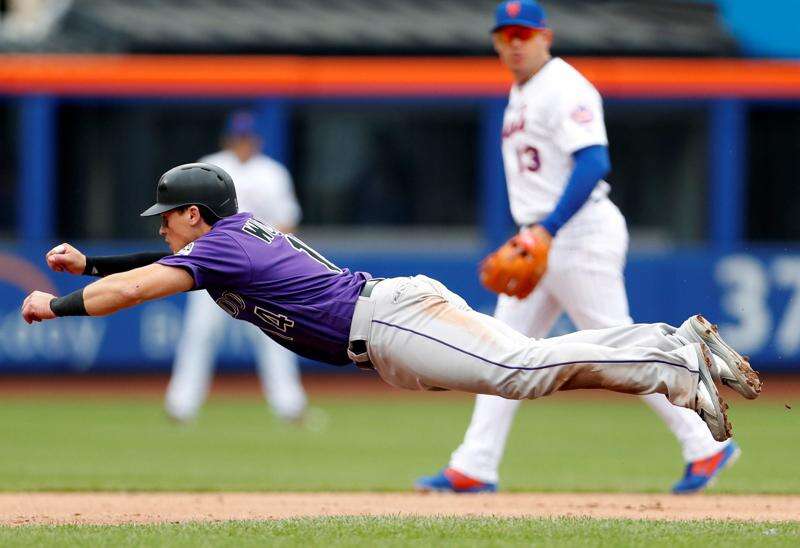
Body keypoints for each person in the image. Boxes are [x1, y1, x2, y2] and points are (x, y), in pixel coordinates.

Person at [23, 163, 760, 453]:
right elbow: (154, 265)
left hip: (392, 322)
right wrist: (88, 261)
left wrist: (55, 305)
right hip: (388, 333)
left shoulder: (218, 250)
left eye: (167, 216)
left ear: (193, 214)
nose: (161, 226)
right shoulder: (230, 237)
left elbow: (134, 289)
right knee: (529, 372)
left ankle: (672, 349)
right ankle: (673, 364)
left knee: (525, 369)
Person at [415, 0, 748, 495]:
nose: (515, 43)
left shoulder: (564, 86)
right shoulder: (521, 91)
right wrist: (538, 232)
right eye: (505, 35)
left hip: (577, 234)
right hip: (541, 238)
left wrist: (545, 229)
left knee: (617, 345)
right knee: (501, 351)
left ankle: (706, 444)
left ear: (546, 36)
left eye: (524, 34)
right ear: (495, 42)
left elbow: (593, 162)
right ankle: (474, 464)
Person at [165, 110, 306, 423]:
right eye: (238, 137)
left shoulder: (272, 173)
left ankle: (290, 406)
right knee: (199, 334)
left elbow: (287, 222)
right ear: (228, 139)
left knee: (276, 334)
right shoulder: (209, 167)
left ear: (257, 140)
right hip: (213, 266)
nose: (243, 143)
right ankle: (180, 405)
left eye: (248, 137)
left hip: (259, 271)